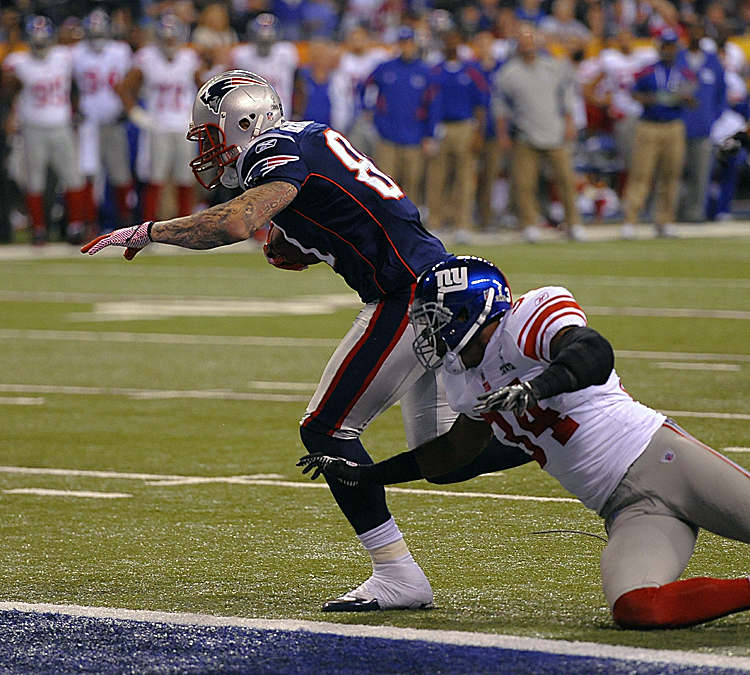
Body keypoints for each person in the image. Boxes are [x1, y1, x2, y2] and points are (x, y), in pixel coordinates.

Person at [80, 70, 530, 613]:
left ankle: (396, 574)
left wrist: (149, 231)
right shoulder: (307, 137)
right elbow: (330, 221)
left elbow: (235, 223)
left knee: (326, 429)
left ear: (243, 123)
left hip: (406, 295)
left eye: (211, 134)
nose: (206, 147)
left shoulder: (273, 148)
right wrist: (296, 241)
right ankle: (559, 431)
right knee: (446, 457)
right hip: (429, 281)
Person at [299, 254, 750, 630]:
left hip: (663, 462)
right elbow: (453, 453)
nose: (428, 333)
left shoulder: (529, 319)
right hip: (625, 509)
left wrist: (538, 387)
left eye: (435, 320)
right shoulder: (463, 381)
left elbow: (592, 351)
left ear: (469, 312)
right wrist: (368, 474)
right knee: (638, 608)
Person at [494, 22, 585, 242]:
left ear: (537, 42)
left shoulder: (554, 66)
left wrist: (570, 123)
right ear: (517, 45)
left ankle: (573, 223)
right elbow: (499, 108)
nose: (527, 45)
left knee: (565, 180)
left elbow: (566, 98)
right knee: (524, 184)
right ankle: (529, 223)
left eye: (530, 40)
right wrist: (503, 135)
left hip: (555, 133)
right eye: (523, 41)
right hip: (525, 135)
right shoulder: (508, 73)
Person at [2, 15, 89, 244]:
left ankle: (75, 227)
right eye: (36, 40)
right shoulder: (18, 61)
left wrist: (76, 109)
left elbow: (76, 86)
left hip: (61, 126)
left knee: (74, 178)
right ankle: (38, 230)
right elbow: (7, 90)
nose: (40, 45)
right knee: (34, 181)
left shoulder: (64, 56)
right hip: (32, 128)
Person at [118, 13, 204, 222]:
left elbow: (205, 90)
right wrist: (137, 114)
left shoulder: (189, 59)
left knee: (185, 178)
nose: (169, 42)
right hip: (158, 126)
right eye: (165, 38)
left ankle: (184, 225)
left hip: (184, 127)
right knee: (154, 178)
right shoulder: (147, 58)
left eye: (172, 38)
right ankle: (149, 227)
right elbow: (123, 87)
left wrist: (199, 116)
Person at [621, 29, 697, 240]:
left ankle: (665, 220)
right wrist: (653, 98)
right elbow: (633, 93)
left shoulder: (685, 72)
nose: (669, 50)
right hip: (649, 126)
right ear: (659, 47)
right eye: (666, 46)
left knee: (671, 175)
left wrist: (684, 98)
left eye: (672, 46)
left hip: (673, 126)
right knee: (641, 174)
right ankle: (630, 219)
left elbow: (693, 98)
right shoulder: (647, 71)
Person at [72, 9, 134, 234]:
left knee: (120, 174)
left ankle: (125, 224)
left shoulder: (121, 51)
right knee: (89, 174)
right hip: (88, 123)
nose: (97, 37)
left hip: (114, 120)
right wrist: (75, 110)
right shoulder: (76, 53)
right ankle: (90, 223)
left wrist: (127, 108)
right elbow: (70, 86)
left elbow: (131, 81)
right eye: (93, 33)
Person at [365, 26, 433, 207]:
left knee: (412, 181)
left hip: (414, 135)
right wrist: (369, 111)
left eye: (410, 43)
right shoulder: (385, 68)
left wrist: (430, 134)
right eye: (403, 43)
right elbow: (364, 87)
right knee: (385, 182)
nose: (407, 47)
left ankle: (410, 222)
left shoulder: (425, 71)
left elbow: (432, 104)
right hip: (387, 135)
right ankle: (385, 222)